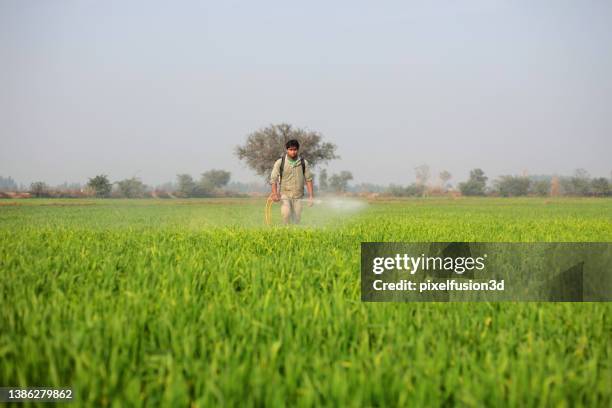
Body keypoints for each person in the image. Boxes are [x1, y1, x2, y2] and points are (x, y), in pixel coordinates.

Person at [270, 139, 314, 224]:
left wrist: (311, 197)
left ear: (298, 150)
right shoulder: (280, 162)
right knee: (286, 214)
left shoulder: (303, 163)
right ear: (287, 150)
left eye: (295, 150)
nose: (293, 152)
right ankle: (286, 232)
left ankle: (294, 233)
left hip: (298, 196)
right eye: (290, 150)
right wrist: (275, 194)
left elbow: (309, 180)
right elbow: (273, 179)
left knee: (297, 218)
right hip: (285, 195)